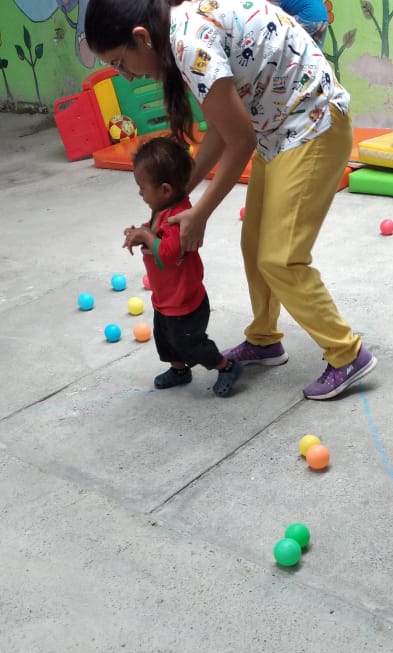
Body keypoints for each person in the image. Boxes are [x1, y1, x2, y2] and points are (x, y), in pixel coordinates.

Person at [85, 0, 377, 401]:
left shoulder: (188, 44)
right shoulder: (178, 35)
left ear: (141, 37)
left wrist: (200, 213)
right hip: (279, 129)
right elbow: (223, 129)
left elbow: (240, 141)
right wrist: (178, 196)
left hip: (312, 124)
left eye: (120, 62)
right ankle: (264, 339)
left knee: (280, 258)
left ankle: (347, 353)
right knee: (254, 244)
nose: (128, 75)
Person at [123, 136, 243, 396]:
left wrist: (146, 236)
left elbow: (168, 254)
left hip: (185, 301)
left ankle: (227, 366)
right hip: (166, 298)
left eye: (142, 188)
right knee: (165, 339)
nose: (140, 193)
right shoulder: (162, 209)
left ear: (165, 189)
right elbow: (156, 233)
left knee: (191, 344)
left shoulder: (180, 217)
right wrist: (141, 232)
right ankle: (179, 370)